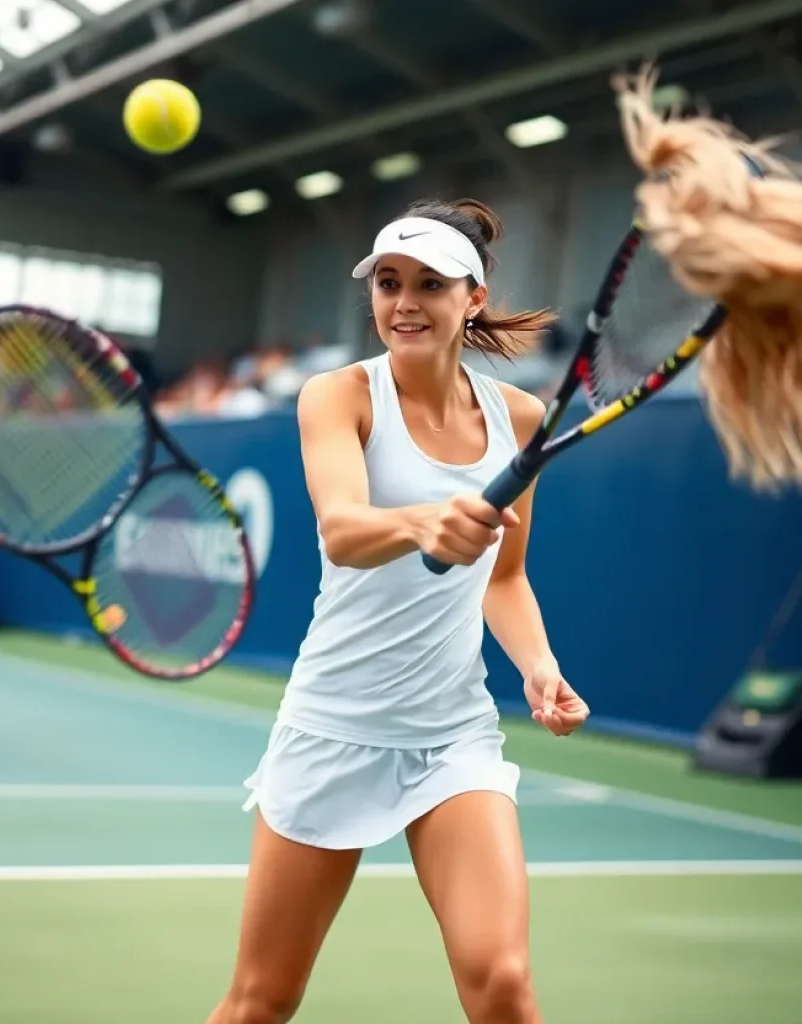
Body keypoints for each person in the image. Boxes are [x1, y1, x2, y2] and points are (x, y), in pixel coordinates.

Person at [206, 198, 590, 1024]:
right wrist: (427, 520)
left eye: (428, 283)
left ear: (473, 298)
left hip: (450, 736)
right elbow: (343, 531)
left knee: (503, 983)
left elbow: (504, 578)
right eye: (387, 282)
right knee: (261, 1001)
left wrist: (539, 665)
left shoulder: (520, 420)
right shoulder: (337, 396)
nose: (404, 302)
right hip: (333, 724)